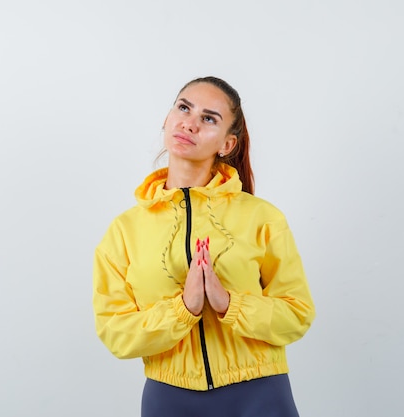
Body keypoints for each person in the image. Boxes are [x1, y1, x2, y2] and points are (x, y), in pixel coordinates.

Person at [92, 76, 316, 417]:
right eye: (184, 108)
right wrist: (185, 308)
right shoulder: (124, 231)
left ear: (227, 144)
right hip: (169, 399)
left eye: (208, 118)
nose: (189, 123)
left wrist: (229, 305)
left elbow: (297, 314)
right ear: (167, 120)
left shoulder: (263, 218)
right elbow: (115, 333)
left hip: (259, 395)